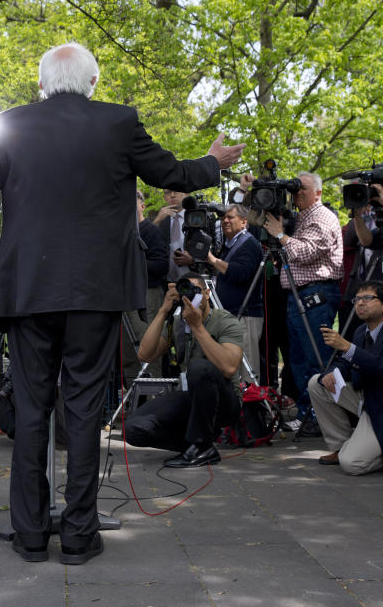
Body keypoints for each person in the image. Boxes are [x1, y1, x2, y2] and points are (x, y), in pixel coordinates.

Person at [0, 42, 245, 564]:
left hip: (29, 292)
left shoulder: (13, 124)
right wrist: (212, 162)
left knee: (31, 412)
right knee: (82, 413)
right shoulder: (119, 123)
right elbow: (172, 174)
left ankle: (30, 536)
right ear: (93, 82)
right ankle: (78, 535)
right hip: (94, 295)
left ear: (42, 83)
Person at [124, 273, 244, 466]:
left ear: (206, 293)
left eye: (194, 291)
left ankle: (200, 444)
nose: (189, 297)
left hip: (225, 401)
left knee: (200, 368)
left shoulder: (225, 320)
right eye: (185, 291)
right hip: (192, 398)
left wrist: (197, 327)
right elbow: (145, 355)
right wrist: (163, 310)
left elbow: (229, 368)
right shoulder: (178, 323)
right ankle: (197, 446)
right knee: (133, 428)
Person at [310, 282, 383, 474]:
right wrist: (332, 374)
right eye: (357, 299)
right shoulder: (360, 331)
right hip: (366, 397)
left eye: (367, 299)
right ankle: (341, 446)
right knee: (317, 383)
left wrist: (348, 348)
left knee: (352, 464)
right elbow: (346, 362)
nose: (360, 303)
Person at [262, 172, 343, 434]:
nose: (297, 194)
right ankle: (307, 412)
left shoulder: (322, 217)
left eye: (303, 189)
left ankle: (321, 418)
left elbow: (307, 253)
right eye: (294, 190)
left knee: (314, 357)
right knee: (296, 358)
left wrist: (280, 235)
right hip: (299, 295)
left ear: (318, 192)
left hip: (316, 295)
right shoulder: (301, 218)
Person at [206, 204, 263, 382]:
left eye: (231, 217)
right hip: (232, 315)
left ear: (244, 222)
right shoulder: (230, 244)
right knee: (232, 368)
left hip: (246, 315)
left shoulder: (249, 243)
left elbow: (240, 273)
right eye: (224, 218)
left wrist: (212, 259)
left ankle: (252, 408)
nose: (225, 221)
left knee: (247, 368)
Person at [123, 190, 170, 379]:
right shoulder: (122, 233)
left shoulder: (151, 231)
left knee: (149, 348)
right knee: (128, 353)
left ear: (142, 205)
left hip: (147, 296)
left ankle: (154, 399)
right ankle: (133, 398)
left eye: (132, 202)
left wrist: (132, 264)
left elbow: (161, 264)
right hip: (124, 298)